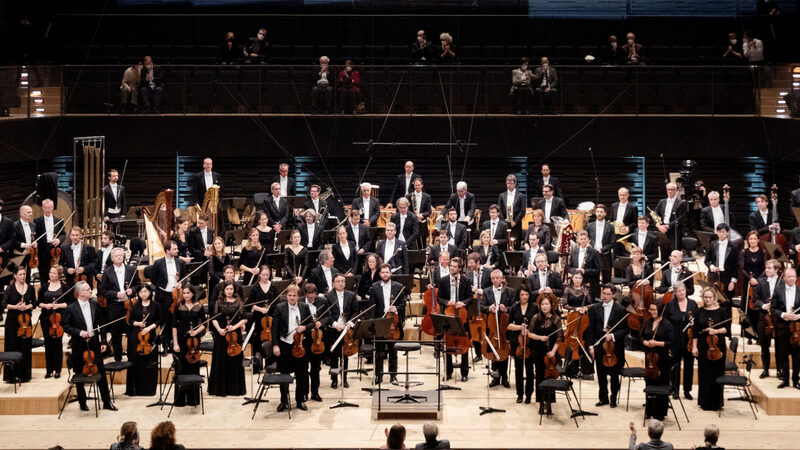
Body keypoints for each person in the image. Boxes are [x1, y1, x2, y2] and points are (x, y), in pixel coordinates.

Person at [62, 280, 116, 411]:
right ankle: (82, 402)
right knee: (80, 372)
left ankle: (107, 402)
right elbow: (66, 327)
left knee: (101, 372)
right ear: (80, 293)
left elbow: (102, 325)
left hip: (94, 343)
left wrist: (103, 341)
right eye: (88, 289)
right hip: (79, 345)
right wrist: (80, 333)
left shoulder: (95, 305)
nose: (91, 291)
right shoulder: (71, 308)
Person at [588, 283, 628, 408]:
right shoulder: (595, 308)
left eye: (608, 294)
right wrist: (591, 346)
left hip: (614, 346)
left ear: (614, 295)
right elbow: (590, 329)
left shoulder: (620, 310)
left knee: (614, 375)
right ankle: (603, 398)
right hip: (600, 343)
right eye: (604, 293)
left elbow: (625, 329)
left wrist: (613, 336)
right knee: (601, 374)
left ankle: (613, 398)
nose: (605, 296)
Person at [272, 284, 311, 411]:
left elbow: (311, 323)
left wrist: (305, 327)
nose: (292, 298)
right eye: (290, 295)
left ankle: (300, 400)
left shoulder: (304, 307)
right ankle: (284, 401)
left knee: (301, 374)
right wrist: (275, 345)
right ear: (286, 296)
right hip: (284, 345)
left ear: (298, 296)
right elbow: (274, 328)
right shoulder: (279, 307)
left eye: (294, 295)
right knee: (284, 373)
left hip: (299, 345)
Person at [98, 247, 141, 362]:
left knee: (131, 333)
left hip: (129, 306)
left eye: (120, 255)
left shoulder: (132, 270)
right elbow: (103, 290)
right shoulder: (107, 272)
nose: (118, 257)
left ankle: (132, 358)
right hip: (114, 306)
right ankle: (118, 358)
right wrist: (116, 294)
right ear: (112, 258)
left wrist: (132, 290)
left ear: (123, 257)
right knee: (115, 334)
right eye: (116, 255)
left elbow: (139, 285)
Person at [692, 287, 730, 410]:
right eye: (705, 297)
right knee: (704, 374)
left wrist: (716, 330)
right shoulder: (699, 312)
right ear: (702, 298)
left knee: (717, 373)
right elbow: (695, 332)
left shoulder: (722, 311)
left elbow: (726, 330)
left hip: (718, 346)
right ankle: (705, 402)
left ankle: (717, 402)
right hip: (703, 346)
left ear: (714, 298)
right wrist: (694, 347)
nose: (708, 299)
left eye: (710, 297)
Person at [144, 240, 186, 350]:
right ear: (167, 251)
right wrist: (162, 285)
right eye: (174, 249)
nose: (177, 250)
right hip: (163, 295)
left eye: (177, 248)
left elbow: (185, 278)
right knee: (164, 319)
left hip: (176, 295)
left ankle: (174, 343)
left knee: (175, 319)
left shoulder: (180, 262)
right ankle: (165, 344)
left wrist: (181, 283)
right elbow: (153, 279)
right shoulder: (158, 263)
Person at [208, 280, 247, 397]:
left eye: (231, 289)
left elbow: (244, 318)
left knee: (235, 361)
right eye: (227, 289)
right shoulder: (218, 302)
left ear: (234, 290)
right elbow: (213, 318)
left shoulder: (239, 302)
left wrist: (234, 327)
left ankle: (235, 389)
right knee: (221, 361)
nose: (229, 291)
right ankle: (221, 389)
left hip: (235, 335)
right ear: (223, 290)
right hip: (222, 335)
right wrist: (219, 329)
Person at [437, 258, 472, 382]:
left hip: (462, 314)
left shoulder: (466, 281)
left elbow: (470, 297)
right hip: (449, 314)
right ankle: (449, 371)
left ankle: (464, 373)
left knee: (464, 343)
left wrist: (463, 303)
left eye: (454, 267)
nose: (452, 268)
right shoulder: (443, 280)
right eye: (451, 266)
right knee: (448, 342)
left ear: (460, 268)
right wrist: (447, 302)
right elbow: (439, 298)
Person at [371, 263, 407, 383]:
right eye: (383, 272)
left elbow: (403, 303)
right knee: (379, 352)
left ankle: (393, 375)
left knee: (393, 351)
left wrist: (395, 308)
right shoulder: (374, 287)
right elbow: (372, 306)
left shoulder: (398, 286)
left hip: (394, 322)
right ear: (380, 274)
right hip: (381, 322)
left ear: (390, 273)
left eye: (387, 272)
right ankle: (378, 375)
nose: (385, 274)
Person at [171, 284, 206, 407]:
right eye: (184, 293)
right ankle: (180, 400)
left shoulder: (199, 306)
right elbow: (174, 326)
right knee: (181, 369)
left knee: (193, 368)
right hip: (181, 341)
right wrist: (175, 343)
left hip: (194, 342)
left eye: (188, 293)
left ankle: (193, 400)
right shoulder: (178, 307)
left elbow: (204, 324)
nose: (186, 295)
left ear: (192, 294)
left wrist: (196, 332)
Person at [125, 284, 162, 396]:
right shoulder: (135, 306)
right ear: (138, 294)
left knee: (149, 362)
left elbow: (160, 320)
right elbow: (130, 321)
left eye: (145, 291)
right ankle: (136, 389)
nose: (143, 294)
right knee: (136, 362)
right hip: (136, 337)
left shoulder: (156, 305)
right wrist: (139, 324)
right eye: (141, 292)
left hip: (149, 336)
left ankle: (149, 390)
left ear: (150, 292)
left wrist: (148, 328)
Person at [664, 282, 698, 400]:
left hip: (688, 340)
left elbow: (696, 322)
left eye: (683, 290)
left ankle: (687, 391)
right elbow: (665, 321)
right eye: (678, 291)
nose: (681, 292)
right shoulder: (670, 305)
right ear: (675, 293)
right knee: (675, 366)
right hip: (675, 339)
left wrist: (694, 323)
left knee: (689, 366)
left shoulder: (693, 304)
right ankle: (675, 389)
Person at [641, 302, 673, 420]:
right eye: (651, 310)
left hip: (662, 360)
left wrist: (656, 343)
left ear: (660, 311)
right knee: (649, 382)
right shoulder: (648, 322)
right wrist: (645, 342)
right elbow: (641, 337)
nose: (652, 312)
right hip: (649, 358)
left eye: (655, 310)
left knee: (660, 384)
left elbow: (671, 342)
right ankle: (649, 411)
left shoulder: (666, 324)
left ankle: (659, 413)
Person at [532, 293, 562, 414]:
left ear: (552, 305)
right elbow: (529, 334)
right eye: (542, 304)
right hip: (538, 352)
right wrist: (540, 337)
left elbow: (559, 338)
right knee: (539, 377)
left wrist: (553, 352)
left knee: (550, 377)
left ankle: (549, 403)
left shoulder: (556, 319)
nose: (544, 306)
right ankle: (540, 403)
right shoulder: (535, 318)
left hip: (551, 353)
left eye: (547, 304)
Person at [325, 274, 357, 389]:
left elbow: (355, 312)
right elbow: (327, 314)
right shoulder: (328, 296)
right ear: (333, 283)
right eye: (338, 281)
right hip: (334, 330)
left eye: (342, 281)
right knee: (334, 356)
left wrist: (350, 323)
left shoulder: (351, 295)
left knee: (345, 355)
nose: (340, 283)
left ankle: (344, 379)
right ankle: (334, 379)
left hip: (346, 330)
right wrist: (334, 324)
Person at [3, 265, 35, 383]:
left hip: (26, 321)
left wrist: (27, 306)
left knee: (25, 347)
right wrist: (16, 307)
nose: (22, 277)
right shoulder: (10, 289)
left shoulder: (30, 288)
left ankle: (24, 375)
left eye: (24, 274)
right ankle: (11, 376)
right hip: (12, 322)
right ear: (15, 276)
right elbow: (4, 304)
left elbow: (34, 303)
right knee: (12, 346)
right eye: (20, 275)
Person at [504, 283, 535, 402]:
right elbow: (509, 325)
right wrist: (520, 327)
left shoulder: (534, 307)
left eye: (527, 294)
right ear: (519, 295)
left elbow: (536, 323)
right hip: (516, 342)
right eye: (522, 294)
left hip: (530, 342)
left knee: (529, 369)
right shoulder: (514, 307)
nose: (525, 297)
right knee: (518, 368)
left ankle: (528, 394)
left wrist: (529, 330)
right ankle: (520, 394)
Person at [38, 265, 69, 378]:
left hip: (59, 319)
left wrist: (58, 305)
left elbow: (69, 303)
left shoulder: (65, 288)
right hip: (46, 319)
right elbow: (39, 303)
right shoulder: (44, 286)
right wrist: (46, 305)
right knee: (48, 344)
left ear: (59, 275)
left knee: (57, 344)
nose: (51, 275)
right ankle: (49, 370)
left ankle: (58, 369)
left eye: (54, 273)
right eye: (50, 272)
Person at [753, 259, 781, 379]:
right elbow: (755, 299)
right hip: (763, 318)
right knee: (764, 346)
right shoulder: (760, 282)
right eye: (766, 268)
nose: (767, 270)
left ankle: (780, 370)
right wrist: (764, 305)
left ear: (776, 270)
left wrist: (775, 306)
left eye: (769, 268)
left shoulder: (782, 283)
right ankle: (765, 369)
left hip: (778, 318)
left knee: (780, 346)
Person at [773, 267, 800, 389]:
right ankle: (785, 379)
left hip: (797, 327)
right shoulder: (778, 290)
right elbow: (773, 309)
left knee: (797, 355)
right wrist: (784, 315)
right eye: (789, 276)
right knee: (783, 354)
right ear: (784, 278)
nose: (792, 279)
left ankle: (796, 380)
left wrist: (798, 316)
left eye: (793, 276)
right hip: (783, 326)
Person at [740, 230, 768, 337]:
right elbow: (742, 268)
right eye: (750, 239)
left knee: (758, 307)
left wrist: (757, 280)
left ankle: (759, 333)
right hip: (747, 282)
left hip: (760, 283)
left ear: (758, 240)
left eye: (754, 239)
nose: (752, 241)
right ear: (748, 240)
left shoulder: (763, 252)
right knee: (746, 307)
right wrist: (750, 279)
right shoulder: (744, 252)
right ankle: (747, 333)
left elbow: (765, 268)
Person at [302, 283, 326, 402]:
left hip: (317, 339)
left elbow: (328, 316)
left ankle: (315, 393)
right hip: (304, 339)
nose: (311, 300)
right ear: (305, 294)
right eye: (309, 298)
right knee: (304, 368)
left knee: (316, 368)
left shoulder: (322, 301)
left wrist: (321, 323)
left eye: (313, 297)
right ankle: (304, 393)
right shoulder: (300, 302)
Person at [705, 224, 739, 308]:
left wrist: (733, 281)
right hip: (715, 276)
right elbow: (706, 261)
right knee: (714, 301)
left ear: (727, 233)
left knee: (727, 302)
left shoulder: (734, 246)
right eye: (719, 232)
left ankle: (727, 321)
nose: (721, 234)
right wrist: (712, 267)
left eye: (723, 232)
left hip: (727, 277)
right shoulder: (713, 244)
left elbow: (736, 265)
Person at [247, 265, 276, 358]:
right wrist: (261, 309)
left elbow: (277, 302)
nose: (266, 277)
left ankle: (270, 365)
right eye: (263, 275)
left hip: (271, 317)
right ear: (259, 275)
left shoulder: (273, 286)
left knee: (271, 339)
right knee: (258, 339)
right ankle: (257, 364)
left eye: (267, 275)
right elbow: (250, 305)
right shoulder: (254, 288)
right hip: (258, 317)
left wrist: (270, 307)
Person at [34, 198, 64, 275]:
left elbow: (63, 234)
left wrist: (59, 240)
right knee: (43, 273)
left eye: (49, 207)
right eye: (46, 208)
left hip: (55, 250)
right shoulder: (37, 221)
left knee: (55, 272)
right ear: (42, 208)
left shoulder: (59, 221)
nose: (47, 210)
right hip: (42, 250)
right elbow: (36, 236)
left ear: (53, 207)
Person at [654, 182, 686, 253]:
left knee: (674, 252)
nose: (670, 191)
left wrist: (667, 226)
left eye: (672, 189)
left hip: (674, 231)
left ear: (676, 190)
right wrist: (658, 226)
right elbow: (654, 215)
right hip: (662, 229)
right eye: (668, 189)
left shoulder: (681, 203)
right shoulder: (661, 202)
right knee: (663, 251)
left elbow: (681, 218)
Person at [568, 230, 601, 299]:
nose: (583, 241)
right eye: (581, 239)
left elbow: (597, 270)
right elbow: (569, 268)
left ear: (588, 240)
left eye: (585, 239)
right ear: (577, 240)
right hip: (576, 283)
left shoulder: (594, 252)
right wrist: (576, 270)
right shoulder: (574, 252)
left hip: (589, 283)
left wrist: (585, 271)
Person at [587, 204, 614, 284]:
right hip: (593, 255)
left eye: (601, 212)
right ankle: (595, 296)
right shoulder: (589, 226)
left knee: (607, 279)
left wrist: (602, 250)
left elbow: (612, 242)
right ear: (595, 213)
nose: (599, 213)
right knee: (594, 280)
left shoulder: (611, 226)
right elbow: (587, 239)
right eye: (598, 211)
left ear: (605, 213)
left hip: (605, 255)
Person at [12, 204, 37, 281]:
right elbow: (12, 241)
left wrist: (35, 243)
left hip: (30, 255)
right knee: (18, 276)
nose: (31, 214)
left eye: (31, 212)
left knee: (28, 276)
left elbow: (34, 238)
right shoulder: (14, 225)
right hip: (19, 255)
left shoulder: (33, 225)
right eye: (29, 212)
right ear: (22, 213)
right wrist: (24, 245)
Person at [498, 174, 525, 242]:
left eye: (511, 183)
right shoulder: (501, 195)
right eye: (507, 183)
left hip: (516, 224)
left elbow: (522, 211)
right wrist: (504, 222)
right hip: (504, 223)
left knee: (516, 243)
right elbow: (499, 210)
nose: (509, 185)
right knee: (505, 242)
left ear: (515, 184)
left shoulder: (521, 196)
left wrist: (515, 222)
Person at [407, 178, 432, 248]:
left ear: (422, 185)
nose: (417, 187)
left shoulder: (427, 197)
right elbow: (407, 211)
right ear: (414, 186)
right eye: (415, 185)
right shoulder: (409, 196)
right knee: (412, 244)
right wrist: (415, 216)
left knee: (422, 244)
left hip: (422, 224)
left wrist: (422, 215)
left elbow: (429, 211)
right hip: (412, 224)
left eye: (418, 185)